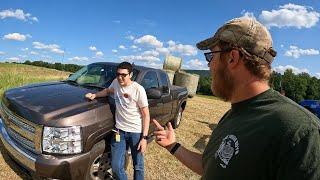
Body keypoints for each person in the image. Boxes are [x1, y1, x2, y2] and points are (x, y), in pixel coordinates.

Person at [153, 17, 320, 179]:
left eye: (211, 56)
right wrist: (173, 146)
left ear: (232, 57)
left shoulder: (300, 131)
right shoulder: (233, 114)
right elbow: (210, 166)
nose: (209, 65)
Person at [86, 62, 150, 180]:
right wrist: (95, 95)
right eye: (118, 74)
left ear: (130, 74)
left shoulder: (138, 90)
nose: (120, 77)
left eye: (123, 75)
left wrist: (144, 138)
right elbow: (107, 91)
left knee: (138, 165)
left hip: (135, 132)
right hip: (119, 131)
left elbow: (146, 115)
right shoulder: (116, 83)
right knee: (115, 167)